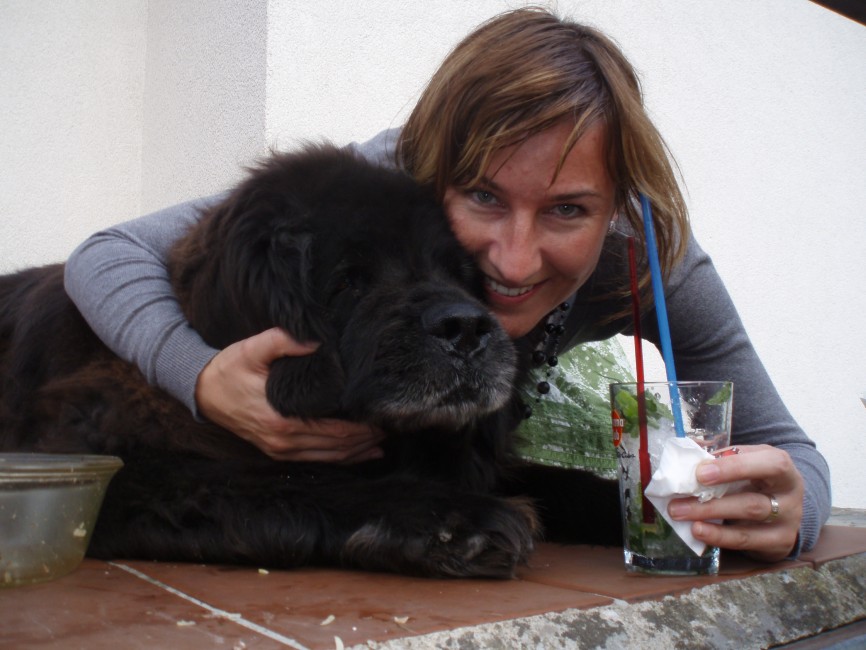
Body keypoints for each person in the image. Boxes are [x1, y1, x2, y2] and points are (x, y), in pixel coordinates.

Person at [63, 8, 829, 563]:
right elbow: (108, 253)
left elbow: (790, 450)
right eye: (484, 197)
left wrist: (789, 513)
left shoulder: (650, 261)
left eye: (568, 210)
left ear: (617, 206)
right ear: (432, 171)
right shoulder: (377, 181)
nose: (515, 262)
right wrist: (199, 377)